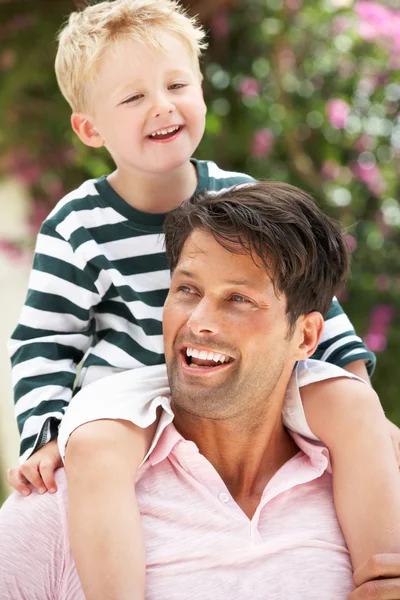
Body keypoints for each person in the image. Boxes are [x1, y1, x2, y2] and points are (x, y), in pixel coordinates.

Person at [4, 0, 397, 596]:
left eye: (177, 84)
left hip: (251, 376)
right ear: (90, 128)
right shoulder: (76, 224)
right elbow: (45, 341)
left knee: (355, 406)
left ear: (202, 96)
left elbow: (318, 304)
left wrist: (355, 392)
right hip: (135, 388)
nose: (162, 104)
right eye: (133, 98)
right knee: (97, 449)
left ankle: (384, 571)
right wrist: (47, 433)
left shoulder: (239, 197)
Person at [2, 181, 400, 600]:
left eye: (240, 299)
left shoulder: (369, 481)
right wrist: (44, 436)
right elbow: (40, 343)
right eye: (187, 290)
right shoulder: (64, 505)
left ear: (305, 337)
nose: (199, 322)